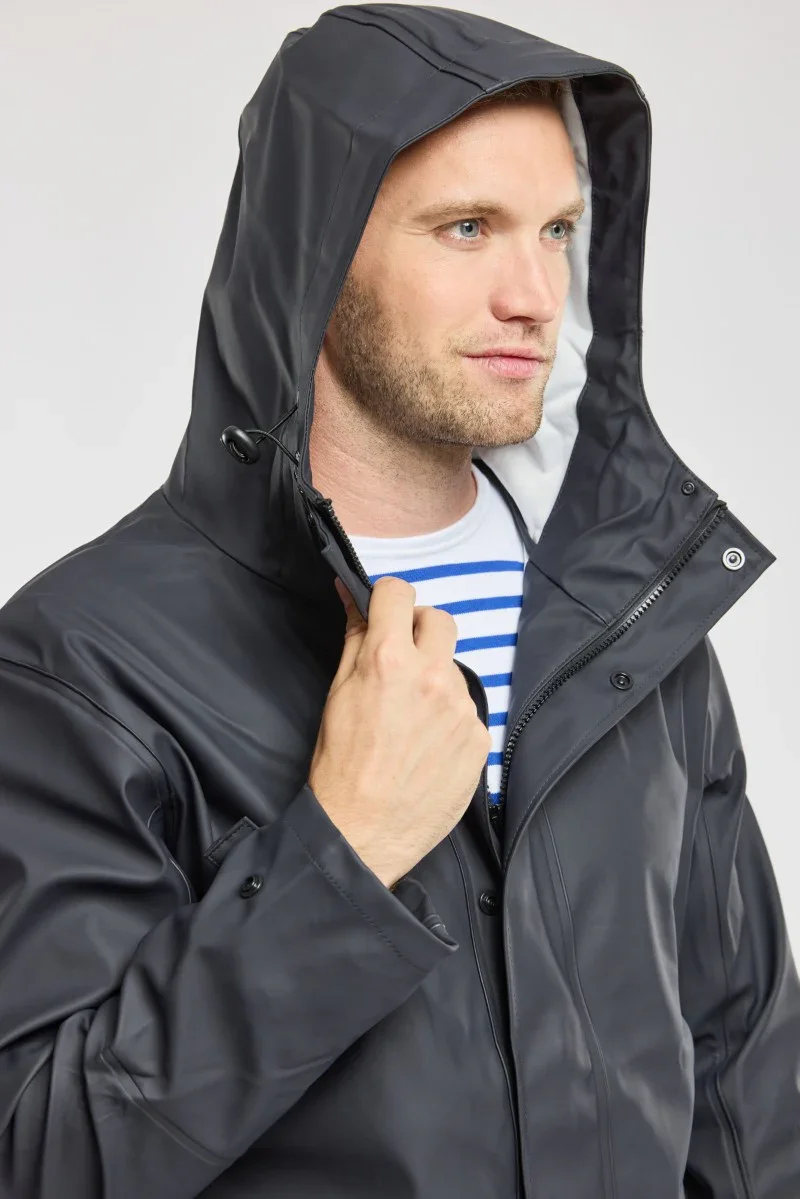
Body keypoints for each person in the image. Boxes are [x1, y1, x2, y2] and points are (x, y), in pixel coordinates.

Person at [0, 4, 797, 1197]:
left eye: (556, 231)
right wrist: (343, 853)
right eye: (466, 228)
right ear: (310, 252)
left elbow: (743, 1084)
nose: (533, 294)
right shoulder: (86, 659)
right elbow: (38, 1155)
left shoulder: (627, 614)